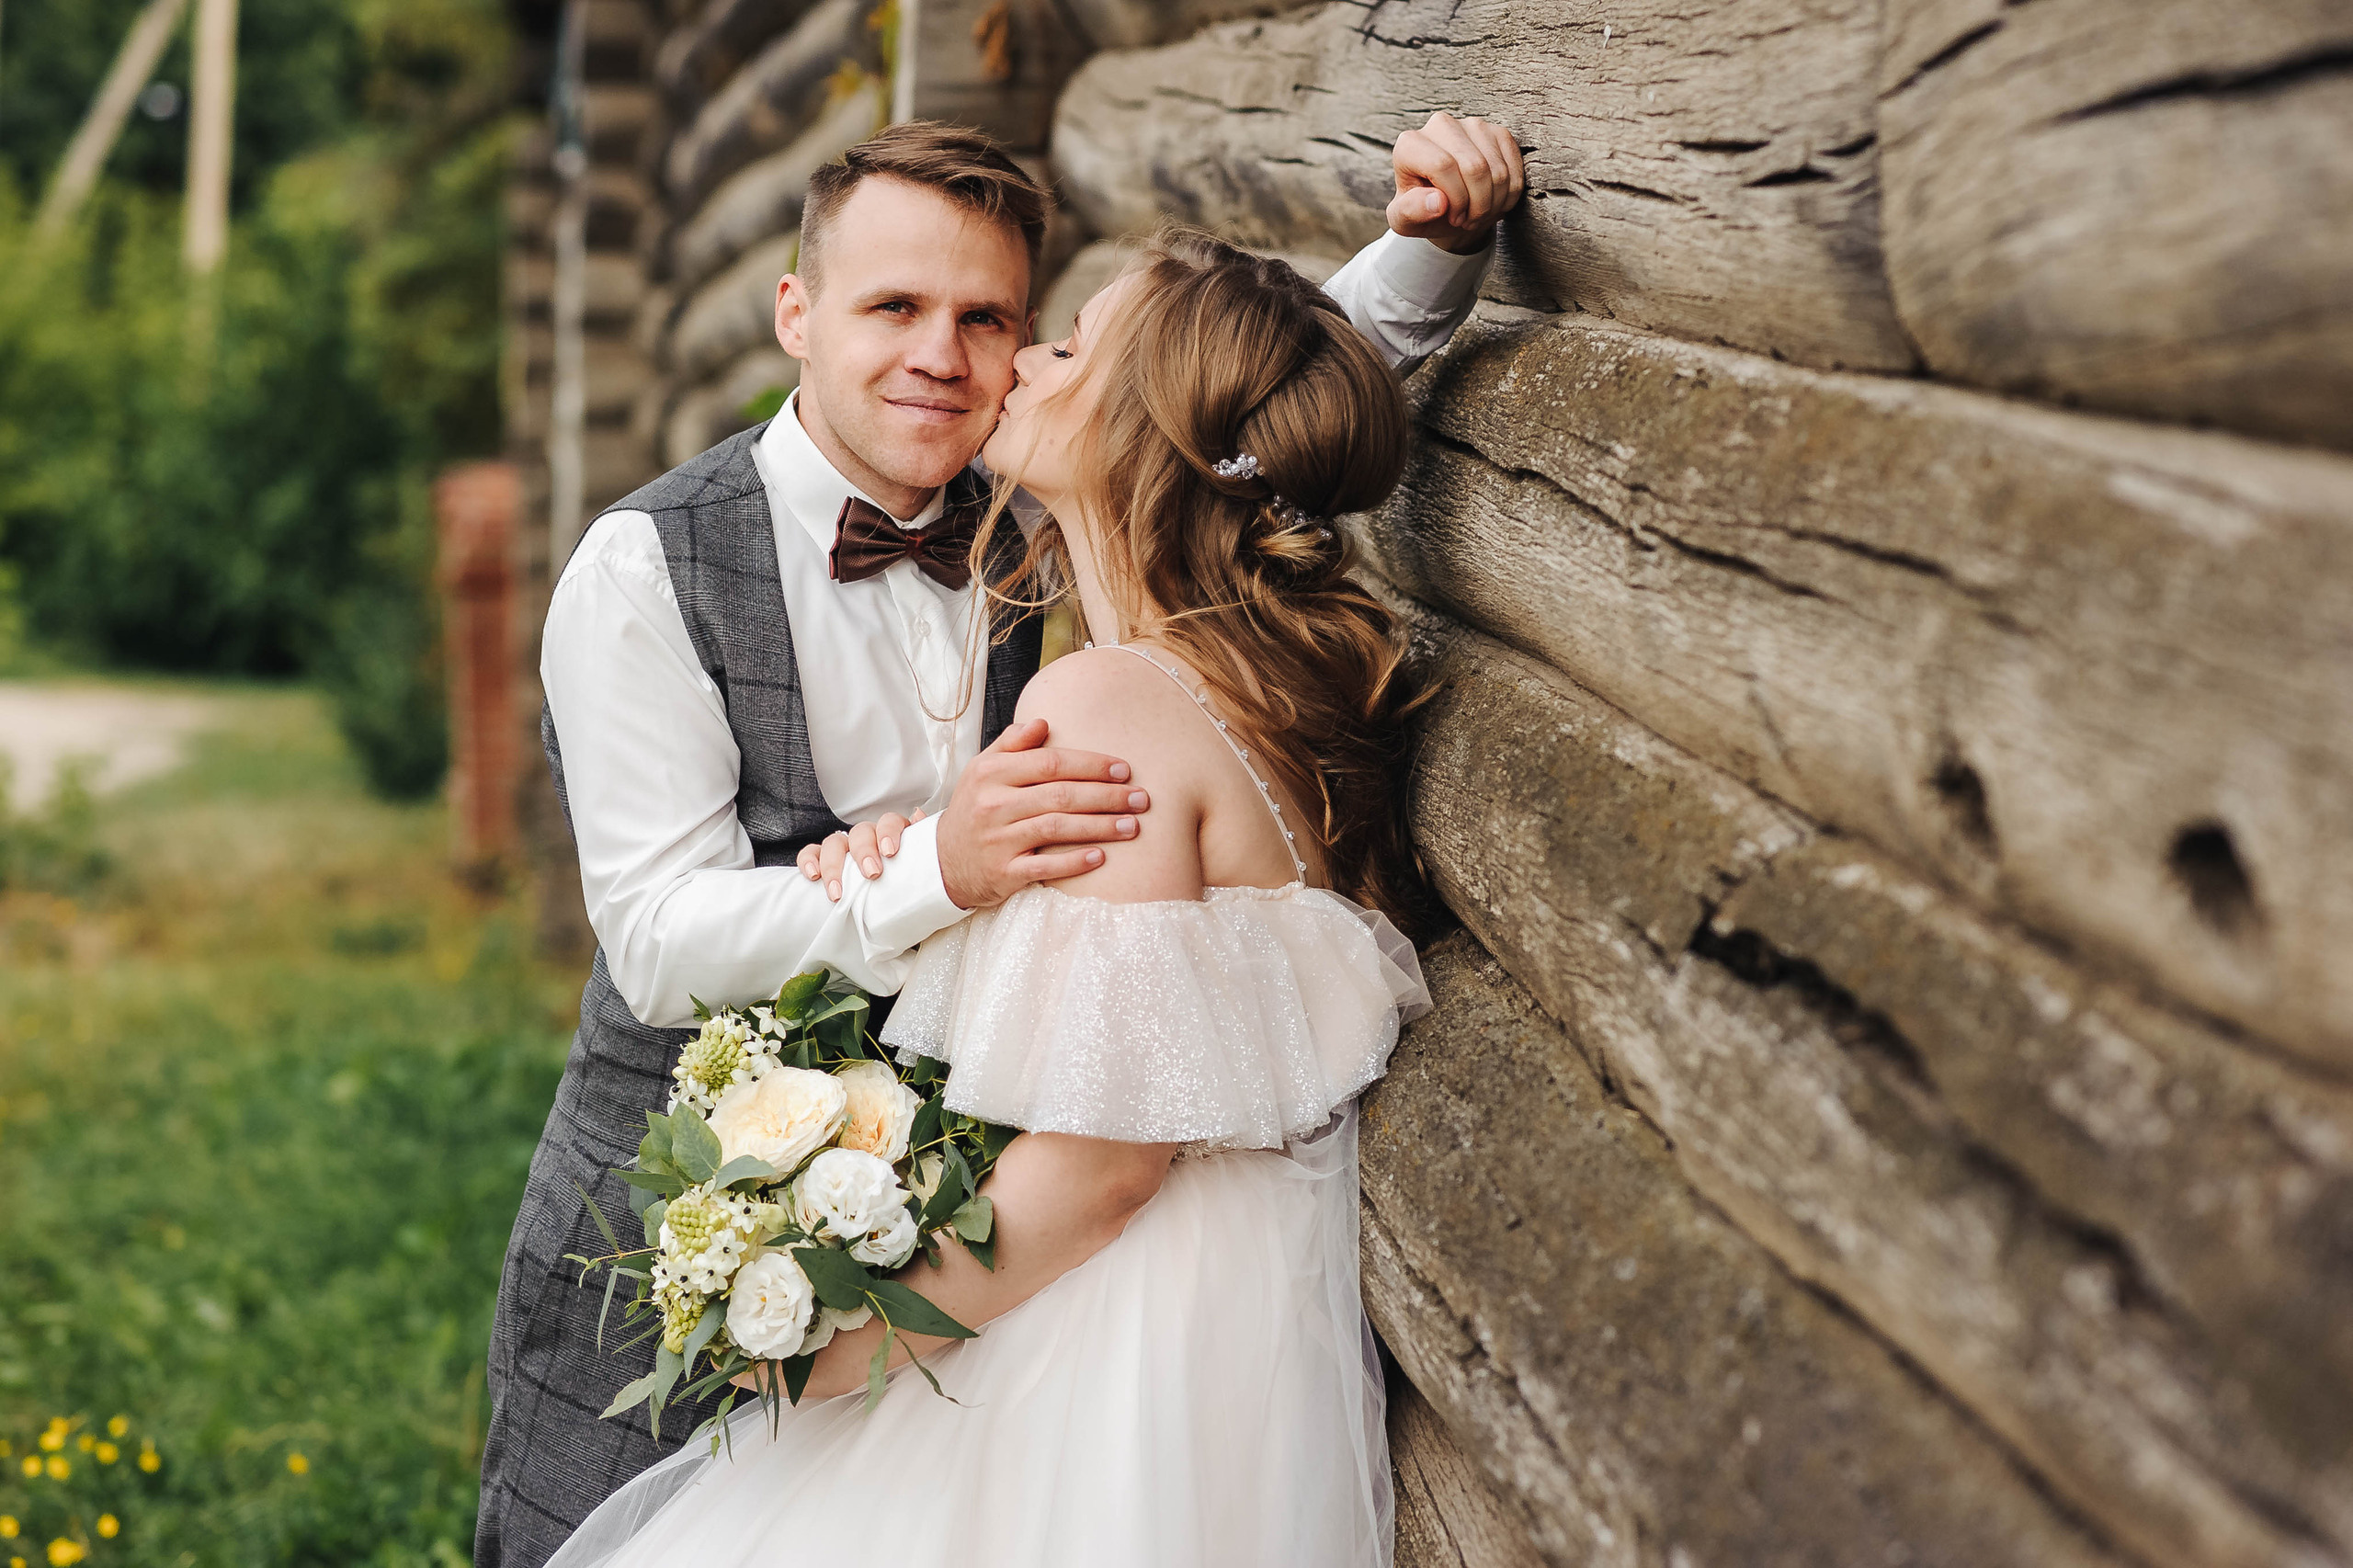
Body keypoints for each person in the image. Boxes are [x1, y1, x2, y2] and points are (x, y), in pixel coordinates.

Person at [479, 116, 1526, 1568]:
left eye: (994, 321)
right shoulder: (646, 568)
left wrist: (1434, 248)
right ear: (796, 312)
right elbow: (657, 941)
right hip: (699, 1214)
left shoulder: (1057, 502)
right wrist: (935, 873)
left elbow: (1228, 394)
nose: (948, 357)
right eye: (893, 308)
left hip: (1011, 1260)